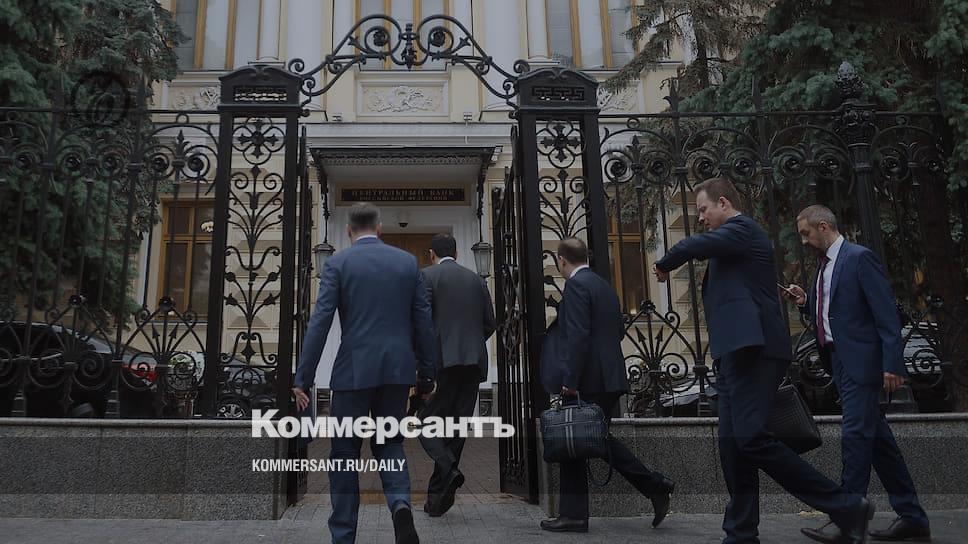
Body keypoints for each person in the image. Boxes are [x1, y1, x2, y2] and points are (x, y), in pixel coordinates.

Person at [652, 178, 874, 544]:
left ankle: (846, 505)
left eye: (704, 209)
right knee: (732, 446)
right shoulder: (734, 242)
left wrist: (665, 263)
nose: (701, 218)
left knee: (750, 439)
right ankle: (740, 533)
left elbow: (695, 245)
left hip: (755, 352)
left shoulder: (742, 229)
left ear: (724, 203)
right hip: (733, 354)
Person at [782, 205, 930, 543]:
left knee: (855, 437)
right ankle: (913, 518)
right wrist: (805, 302)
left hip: (862, 364)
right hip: (839, 363)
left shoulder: (859, 258)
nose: (803, 240)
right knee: (878, 443)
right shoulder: (824, 267)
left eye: (806, 233)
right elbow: (834, 311)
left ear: (823, 226)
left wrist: (892, 364)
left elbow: (885, 314)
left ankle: (848, 518)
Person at [291, 203, 436, 544]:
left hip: (353, 372)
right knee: (390, 443)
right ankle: (400, 504)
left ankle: (343, 535)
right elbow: (424, 322)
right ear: (380, 228)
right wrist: (427, 375)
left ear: (348, 230)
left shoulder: (338, 263)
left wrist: (303, 379)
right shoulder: (407, 263)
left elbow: (320, 323)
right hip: (397, 372)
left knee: (344, 453)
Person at [539, 237, 675, 534]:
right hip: (609, 376)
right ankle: (653, 486)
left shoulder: (576, 286)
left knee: (574, 443)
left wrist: (570, 381)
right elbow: (617, 330)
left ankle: (575, 515)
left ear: (562, 260)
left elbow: (577, 336)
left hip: (588, 379)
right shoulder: (603, 285)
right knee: (597, 441)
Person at [416, 233, 497, 517]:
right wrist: (470, 345)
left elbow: (422, 323)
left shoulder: (427, 276)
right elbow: (490, 323)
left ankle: (449, 469)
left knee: (424, 423)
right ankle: (437, 502)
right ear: (457, 253)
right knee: (456, 429)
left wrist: (425, 361)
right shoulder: (477, 280)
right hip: (473, 364)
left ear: (431, 254)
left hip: (443, 363)